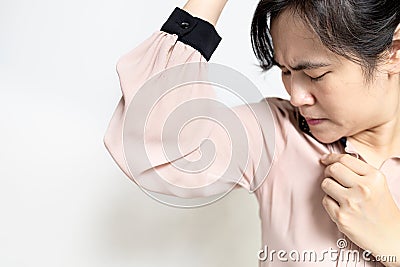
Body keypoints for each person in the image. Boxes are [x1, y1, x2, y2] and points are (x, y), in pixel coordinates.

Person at [104, 0, 400, 266]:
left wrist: (392, 242)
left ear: (394, 53)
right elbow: (151, 140)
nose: (296, 96)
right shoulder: (275, 133)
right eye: (285, 71)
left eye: (314, 75)